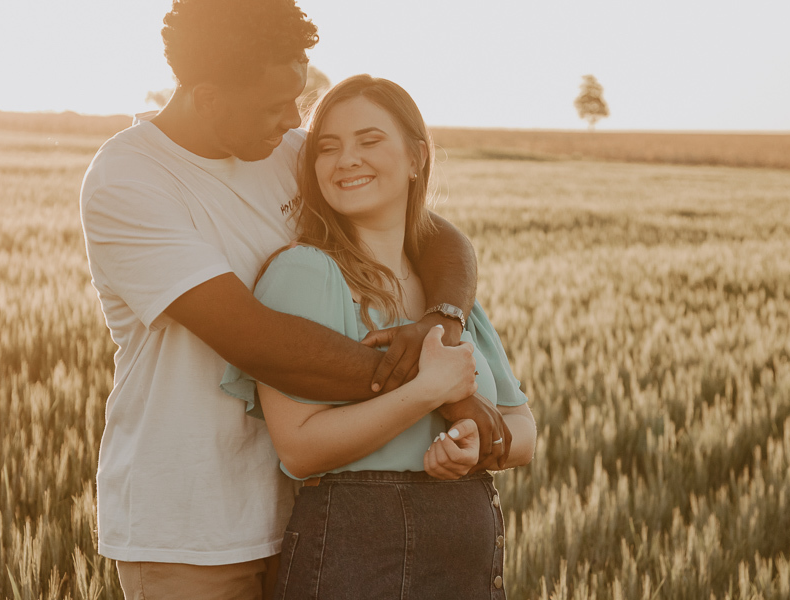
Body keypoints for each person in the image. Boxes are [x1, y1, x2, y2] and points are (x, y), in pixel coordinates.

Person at [78, 1, 510, 598]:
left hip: (312, 520)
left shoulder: (284, 151)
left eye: (298, 99)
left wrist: (444, 321)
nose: (294, 122)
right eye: (276, 107)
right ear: (207, 99)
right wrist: (439, 392)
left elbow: (436, 237)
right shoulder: (130, 181)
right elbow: (259, 341)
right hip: (192, 528)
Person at [221, 75, 537, 599]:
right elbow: (299, 448)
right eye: (329, 147)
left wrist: (477, 445)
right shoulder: (306, 273)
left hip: (467, 550)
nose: (347, 159)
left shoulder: (449, 300)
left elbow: (522, 429)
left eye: (369, 141)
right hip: (358, 553)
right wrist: (427, 393)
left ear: (417, 157)